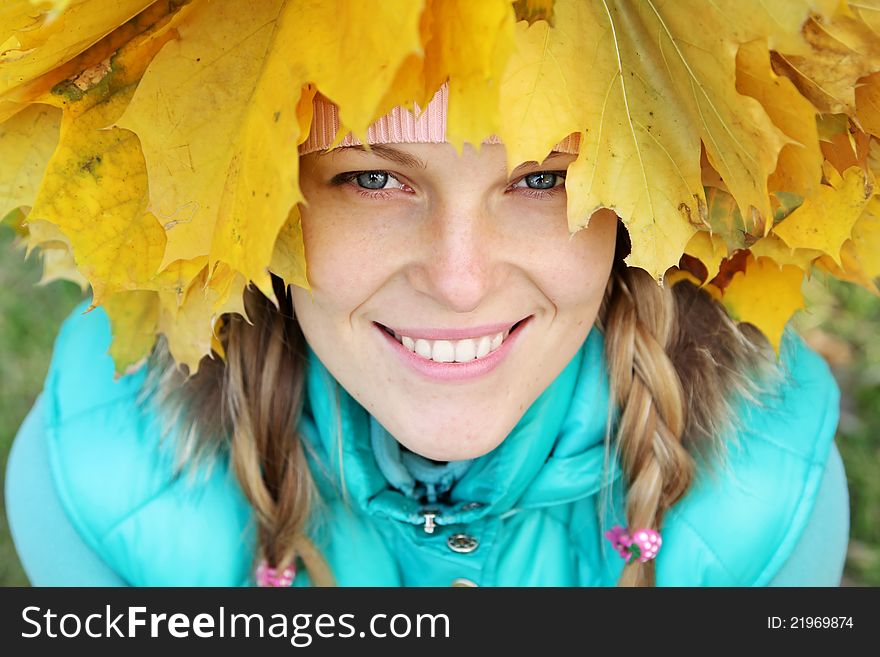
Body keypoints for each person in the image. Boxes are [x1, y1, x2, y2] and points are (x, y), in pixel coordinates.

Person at [5, 81, 850, 587]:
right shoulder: (105, 484)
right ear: (247, 200)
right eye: (372, 177)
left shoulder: (767, 488)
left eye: (543, 179)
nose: (460, 279)